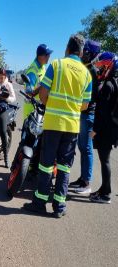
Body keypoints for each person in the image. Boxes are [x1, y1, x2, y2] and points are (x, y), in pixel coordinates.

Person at [23, 34, 92, 218]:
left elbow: (43, 93)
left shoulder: (56, 65)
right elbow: (85, 105)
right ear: (82, 51)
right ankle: (59, 206)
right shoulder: (86, 73)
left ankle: (40, 202)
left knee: (46, 165)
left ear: (67, 49)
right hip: (72, 127)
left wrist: (50, 104)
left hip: (53, 123)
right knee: (64, 167)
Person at [69, 40, 101, 194]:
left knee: (86, 148)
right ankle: (82, 179)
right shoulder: (86, 68)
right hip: (83, 113)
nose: (82, 54)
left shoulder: (92, 71)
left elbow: (91, 97)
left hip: (88, 114)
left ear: (90, 54)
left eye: (85, 51)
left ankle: (86, 183)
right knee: (82, 147)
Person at [89, 52, 118, 204]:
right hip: (110, 129)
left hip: (106, 130)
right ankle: (103, 189)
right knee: (103, 160)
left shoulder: (108, 86)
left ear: (109, 66)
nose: (99, 69)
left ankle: (106, 194)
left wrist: (95, 130)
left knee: (105, 161)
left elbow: (103, 113)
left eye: (101, 67)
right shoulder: (112, 82)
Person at [23, 44, 53, 119]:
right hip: (31, 112)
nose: (49, 57)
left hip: (40, 110)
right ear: (40, 56)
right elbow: (29, 93)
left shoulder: (43, 67)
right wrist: (44, 85)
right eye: (47, 55)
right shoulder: (32, 71)